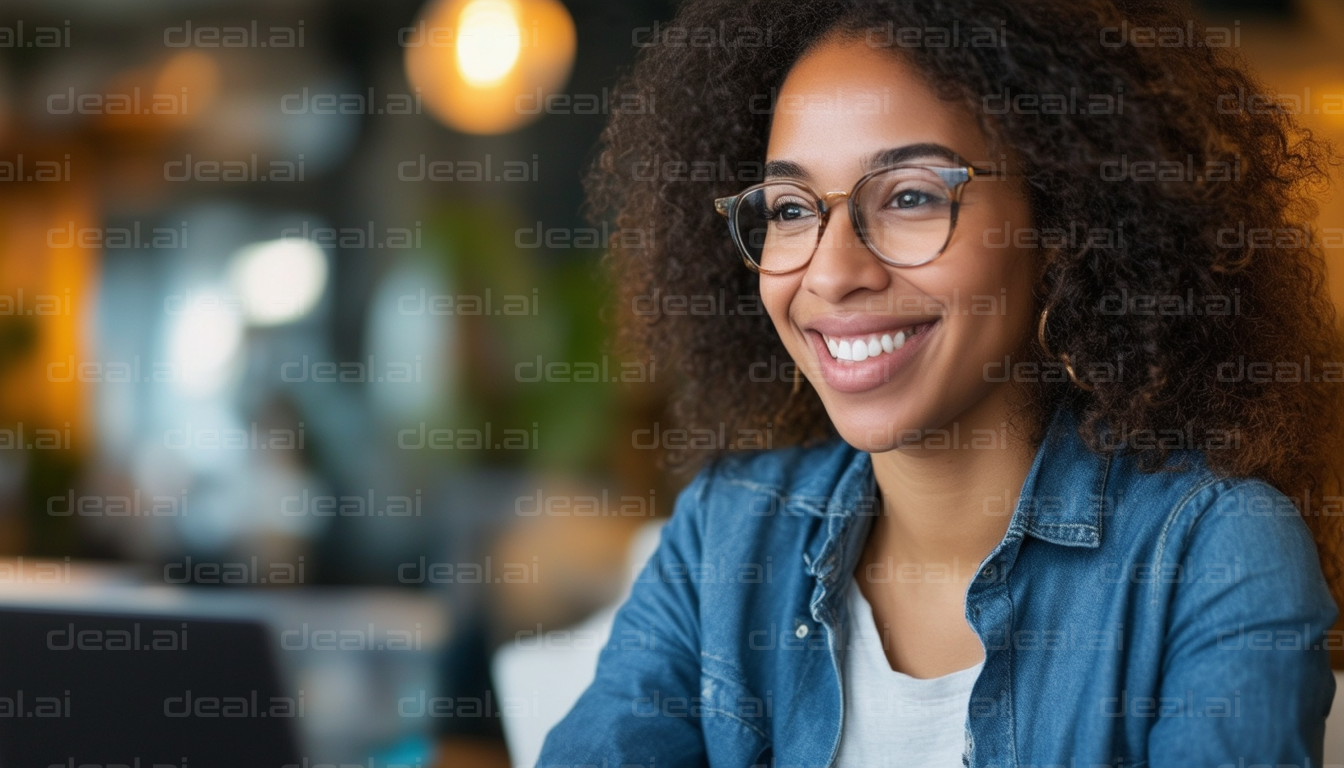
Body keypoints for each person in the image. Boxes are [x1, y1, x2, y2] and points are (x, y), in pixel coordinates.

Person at [538, 0, 1344, 765]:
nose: (832, 271)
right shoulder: (726, 535)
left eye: (912, 197)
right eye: (789, 210)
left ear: (1065, 223)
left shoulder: (1216, 553)